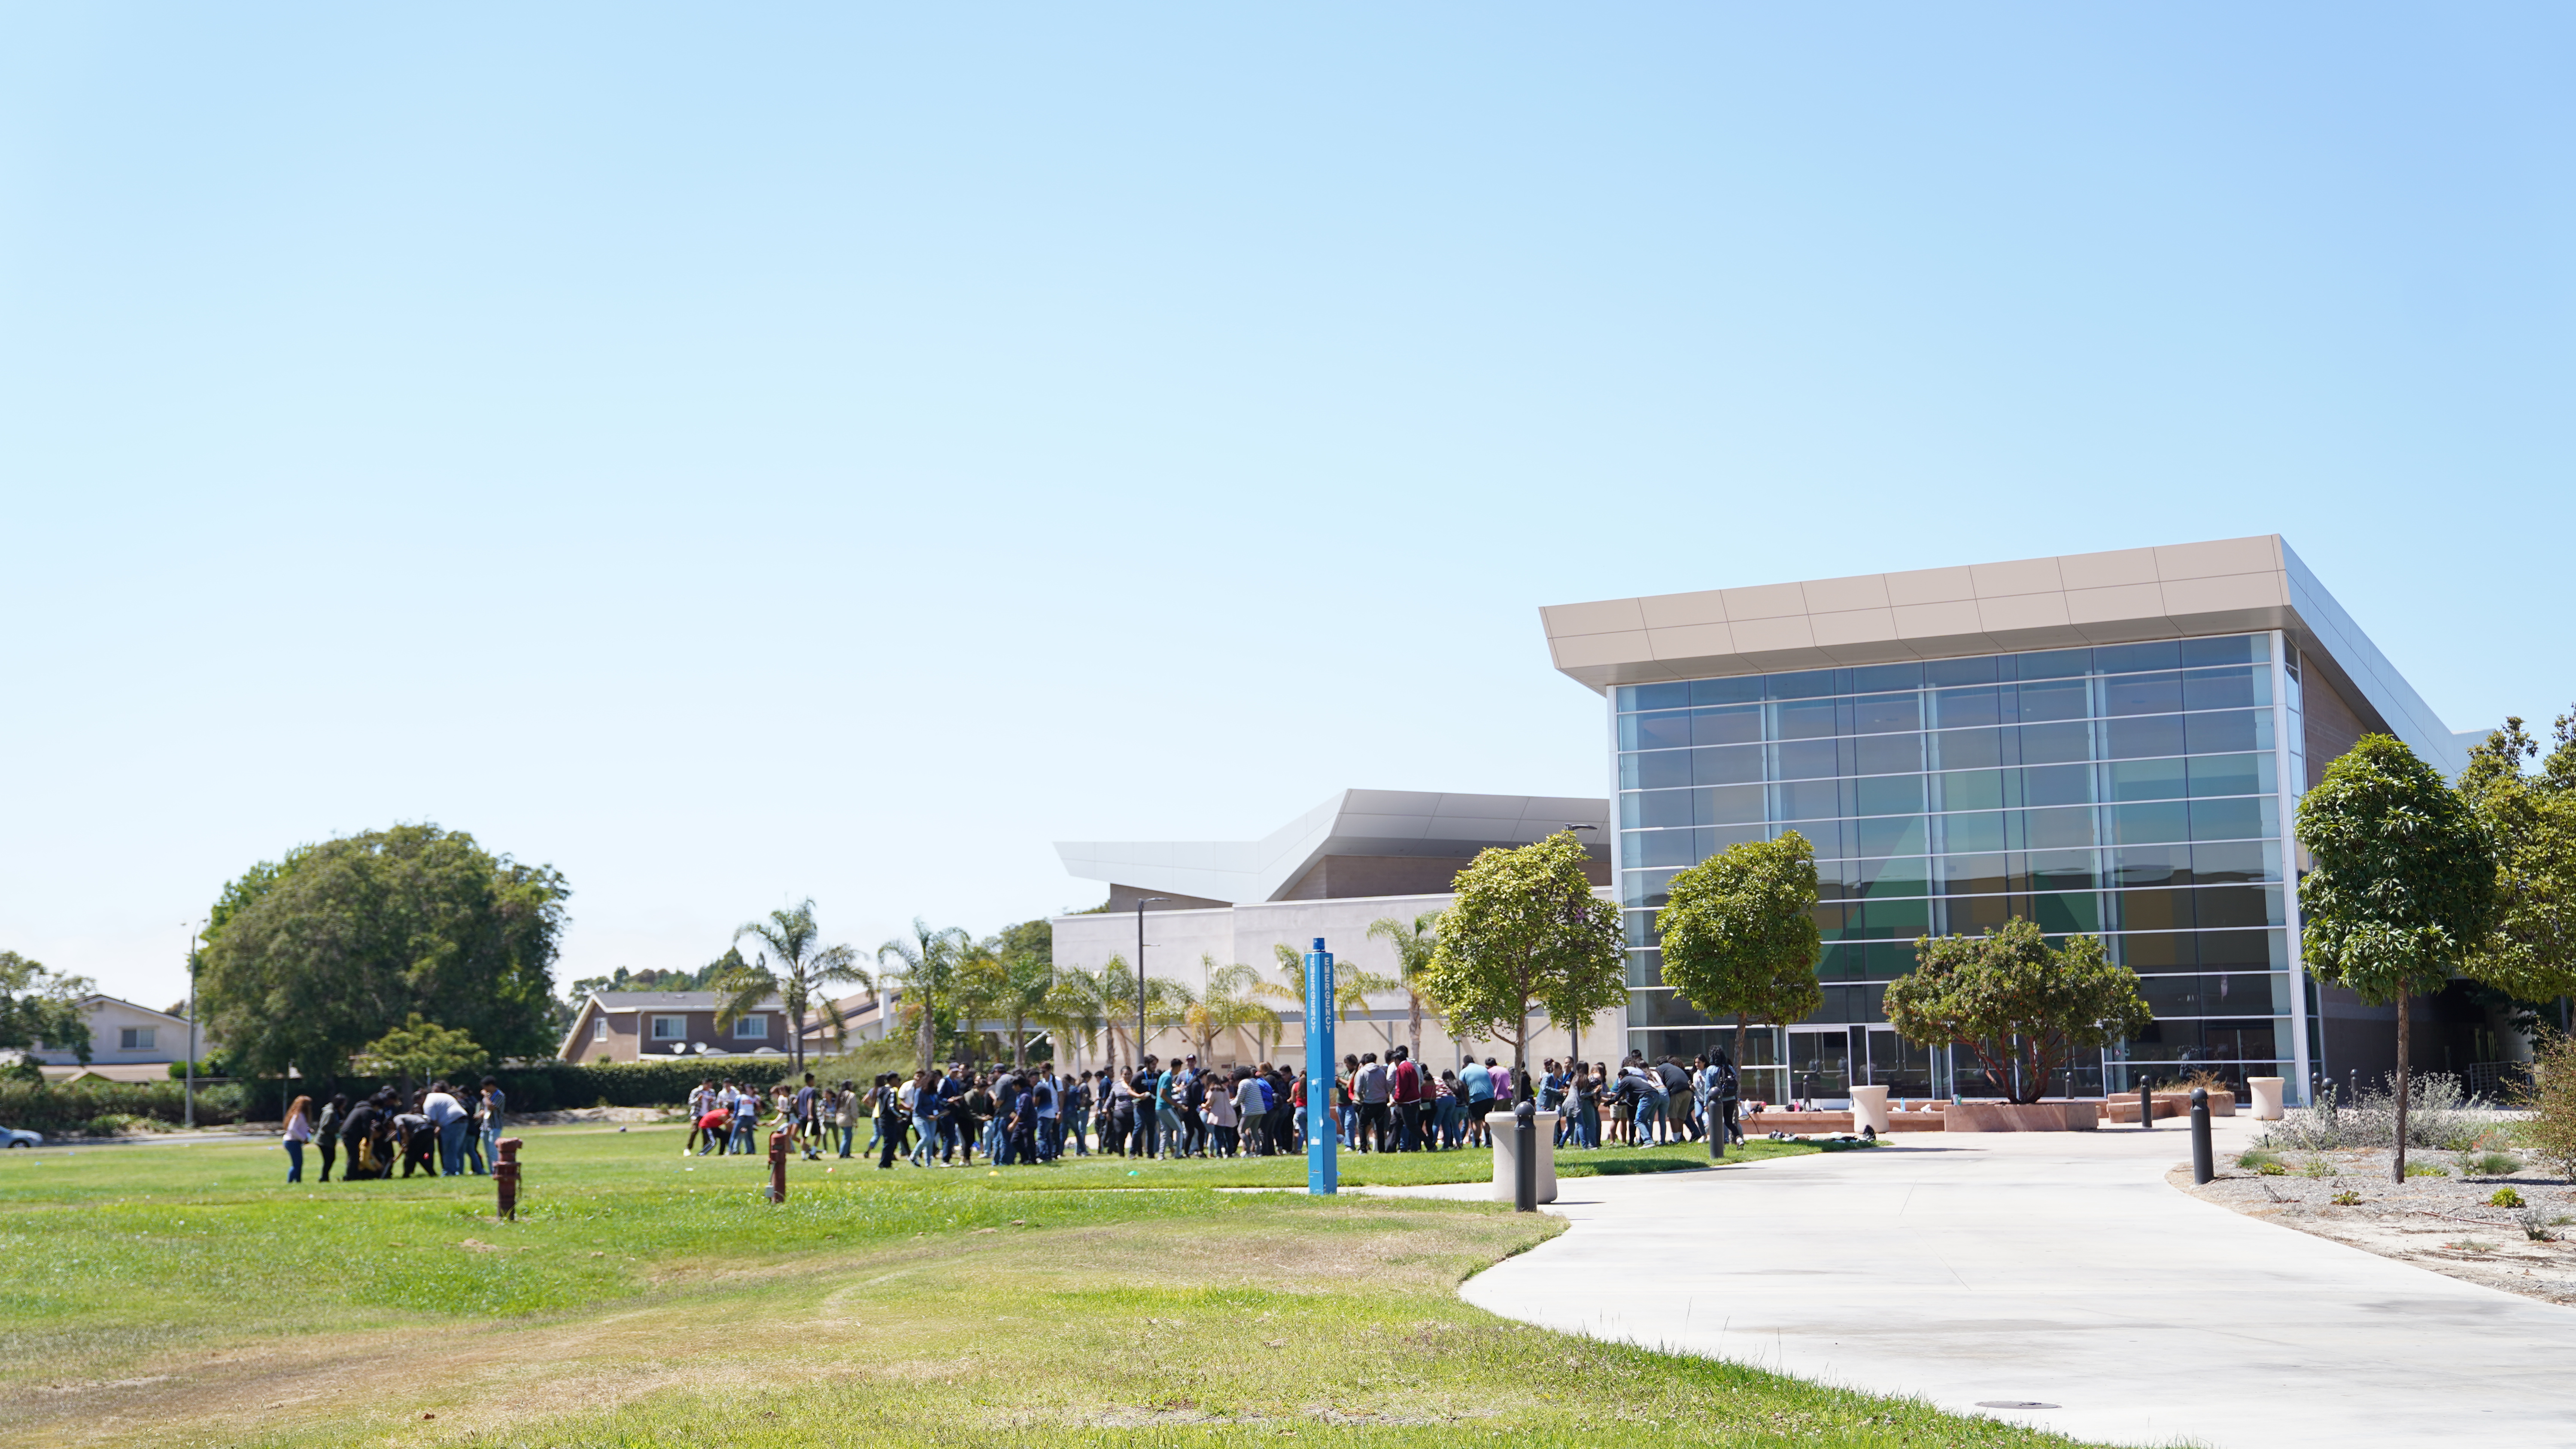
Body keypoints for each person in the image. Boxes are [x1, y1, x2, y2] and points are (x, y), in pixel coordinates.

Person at [422, 1080, 469, 1176]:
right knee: (456, 1148)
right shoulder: (440, 1096)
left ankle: (449, 1172)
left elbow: (433, 1120)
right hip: (463, 1119)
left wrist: (435, 1131)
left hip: (451, 1122)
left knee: (448, 1148)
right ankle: (458, 1170)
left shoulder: (428, 1102)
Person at [282, 1094, 313, 1183]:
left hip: (294, 1142)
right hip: (292, 1142)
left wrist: (307, 1130)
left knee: (299, 1164)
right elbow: (292, 1129)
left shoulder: (301, 1115)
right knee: (297, 1164)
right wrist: (304, 1138)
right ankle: (290, 1182)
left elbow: (298, 1127)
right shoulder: (298, 1115)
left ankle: (298, 1182)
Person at [315, 1094, 346, 1183]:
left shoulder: (336, 1111)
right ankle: (324, 1178)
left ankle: (325, 1177)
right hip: (324, 1141)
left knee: (331, 1159)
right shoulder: (330, 1112)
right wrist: (338, 1125)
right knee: (329, 1159)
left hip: (330, 1141)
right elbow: (324, 1127)